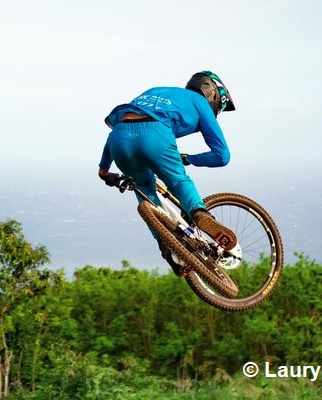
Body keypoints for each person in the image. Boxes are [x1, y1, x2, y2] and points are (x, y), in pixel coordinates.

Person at [97, 71, 237, 272]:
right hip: (155, 136)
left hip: (118, 139)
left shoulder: (156, 91)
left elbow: (121, 127)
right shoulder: (200, 102)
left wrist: (104, 171)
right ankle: (201, 215)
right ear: (212, 94)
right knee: (179, 182)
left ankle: (167, 249)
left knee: (144, 190)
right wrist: (189, 159)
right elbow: (222, 156)